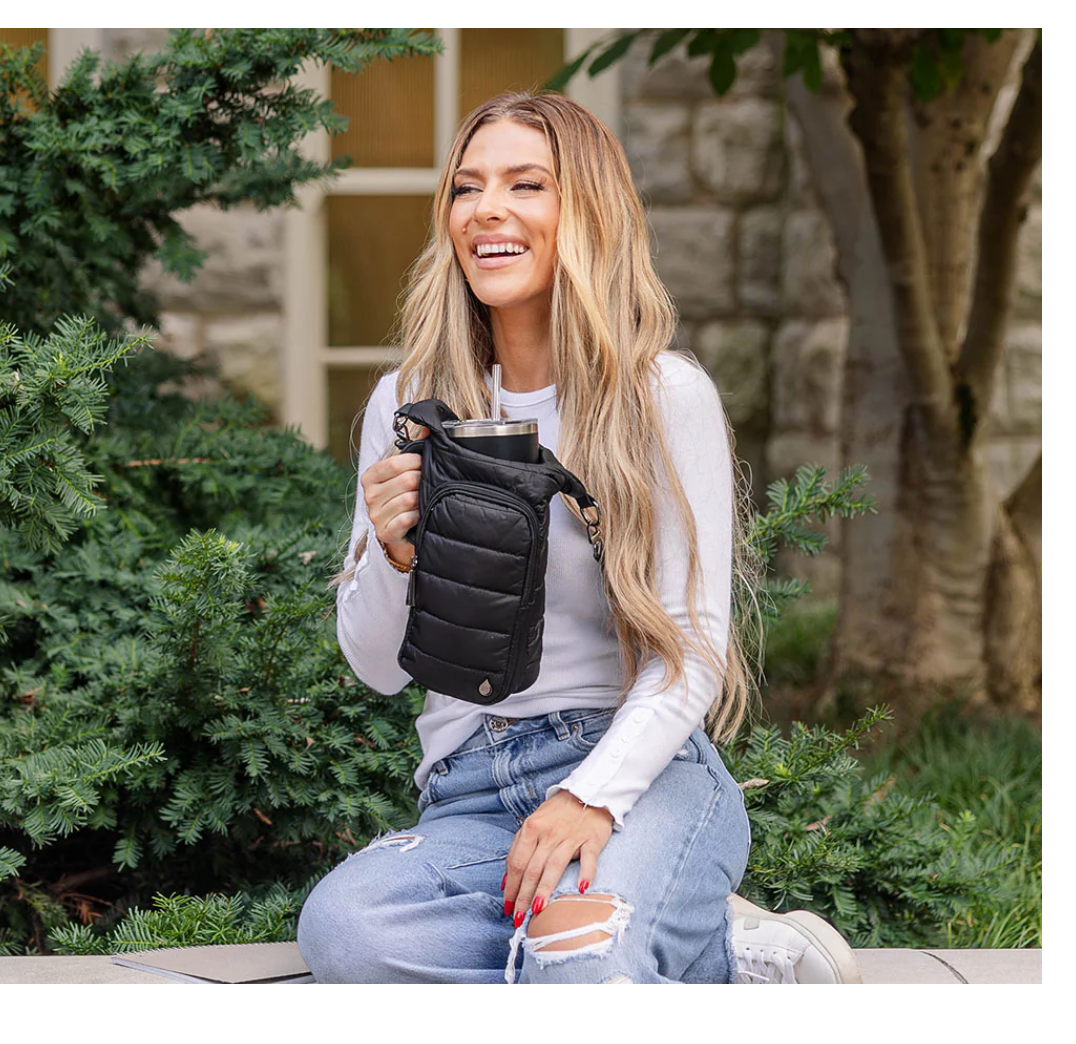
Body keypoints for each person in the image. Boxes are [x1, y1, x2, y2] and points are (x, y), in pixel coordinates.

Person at [297, 91, 861, 984]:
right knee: (347, 937)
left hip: (636, 775)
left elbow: (694, 649)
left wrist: (588, 797)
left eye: (528, 184)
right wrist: (394, 553)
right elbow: (375, 667)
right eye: (468, 188)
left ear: (588, 211)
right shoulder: (408, 403)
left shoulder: (662, 397)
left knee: (578, 959)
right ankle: (696, 957)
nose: (489, 209)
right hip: (468, 794)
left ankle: (648, 950)